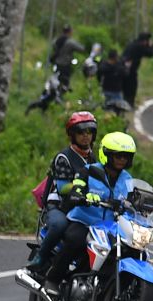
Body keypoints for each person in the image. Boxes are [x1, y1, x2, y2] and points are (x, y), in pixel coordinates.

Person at [43, 132, 137, 297]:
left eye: (126, 156)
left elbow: (134, 200)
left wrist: (150, 210)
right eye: (118, 155)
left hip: (109, 226)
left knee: (127, 248)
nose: (122, 159)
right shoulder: (88, 171)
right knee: (75, 239)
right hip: (84, 221)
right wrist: (80, 194)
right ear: (107, 154)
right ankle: (53, 279)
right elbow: (76, 187)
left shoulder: (127, 179)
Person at [28, 111, 99, 272]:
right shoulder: (64, 157)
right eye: (80, 132)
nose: (85, 136)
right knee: (60, 225)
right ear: (72, 135)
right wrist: (83, 188)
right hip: (60, 205)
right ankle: (41, 257)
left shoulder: (92, 158)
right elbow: (62, 187)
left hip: (81, 205)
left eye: (89, 132)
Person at [121, 31, 153, 107]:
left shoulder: (133, 44)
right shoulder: (140, 46)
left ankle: (126, 104)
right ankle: (129, 104)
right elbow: (151, 54)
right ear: (145, 41)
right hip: (129, 70)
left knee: (126, 88)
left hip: (123, 68)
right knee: (131, 88)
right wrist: (152, 46)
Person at [50, 25, 85, 91]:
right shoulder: (70, 42)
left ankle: (55, 91)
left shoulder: (57, 40)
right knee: (65, 80)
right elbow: (81, 49)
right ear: (70, 32)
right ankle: (61, 93)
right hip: (66, 64)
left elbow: (53, 46)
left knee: (56, 78)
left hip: (57, 62)